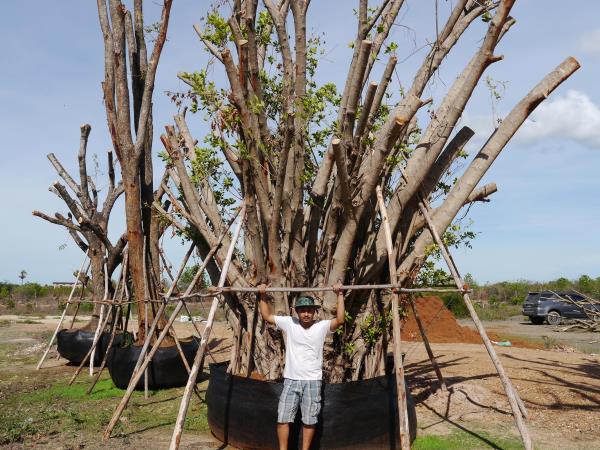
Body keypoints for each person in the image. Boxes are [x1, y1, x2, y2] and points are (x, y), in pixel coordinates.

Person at [258, 282, 345, 450]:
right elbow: (267, 316)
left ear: (315, 311)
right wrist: (262, 295)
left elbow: (340, 319)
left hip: (313, 381)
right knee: (283, 418)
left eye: (310, 310)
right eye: (302, 310)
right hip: (291, 380)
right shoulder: (290, 323)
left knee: (309, 420)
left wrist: (340, 294)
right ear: (297, 312)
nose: (306, 313)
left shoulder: (322, 326)